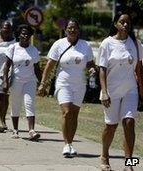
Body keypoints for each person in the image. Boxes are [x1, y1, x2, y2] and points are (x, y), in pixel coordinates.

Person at [37, 18, 95, 157]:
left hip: (80, 84)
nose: (72, 30)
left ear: (79, 30)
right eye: (70, 27)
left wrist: (92, 69)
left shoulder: (85, 45)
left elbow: (90, 63)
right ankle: (66, 144)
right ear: (66, 30)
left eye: (75, 27)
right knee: (67, 112)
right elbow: (50, 65)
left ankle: (70, 143)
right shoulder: (59, 44)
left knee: (74, 115)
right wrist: (43, 83)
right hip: (63, 83)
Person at [97, 12, 143, 171]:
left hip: (130, 90)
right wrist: (104, 91)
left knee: (129, 123)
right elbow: (102, 69)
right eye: (122, 22)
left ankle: (129, 164)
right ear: (116, 24)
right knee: (111, 126)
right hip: (111, 91)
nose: (125, 25)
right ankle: (104, 156)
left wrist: (141, 92)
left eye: (128, 22)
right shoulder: (107, 43)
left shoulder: (136, 44)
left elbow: (139, 69)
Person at [2, 24, 41, 141]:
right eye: (23, 33)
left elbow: (37, 68)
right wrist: (5, 81)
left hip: (30, 80)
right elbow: (7, 66)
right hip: (16, 80)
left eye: (28, 34)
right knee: (16, 104)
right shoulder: (13, 48)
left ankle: (31, 131)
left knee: (29, 103)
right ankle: (15, 130)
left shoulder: (33, 50)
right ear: (19, 35)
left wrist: (42, 83)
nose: (25, 36)